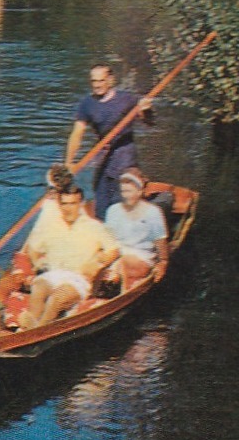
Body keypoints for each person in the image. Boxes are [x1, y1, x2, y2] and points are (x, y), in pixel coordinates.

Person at [19, 186, 119, 328]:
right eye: (64, 204)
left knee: (56, 299)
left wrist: (99, 263)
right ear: (59, 205)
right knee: (38, 287)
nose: (68, 208)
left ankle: (37, 328)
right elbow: (33, 249)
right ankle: (31, 323)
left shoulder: (94, 226)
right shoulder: (50, 227)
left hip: (77, 279)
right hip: (52, 274)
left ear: (81, 204)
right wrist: (37, 262)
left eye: (73, 203)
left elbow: (113, 250)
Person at [65, 63, 155, 221]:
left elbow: (148, 122)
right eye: (94, 81)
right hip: (103, 156)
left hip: (125, 156)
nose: (97, 85)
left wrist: (146, 109)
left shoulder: (126, 99)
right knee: (101, 206)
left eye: (101, 80)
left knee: (122, 202)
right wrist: (69, 162)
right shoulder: (87, 104)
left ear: (110, 80)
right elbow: (77, 134)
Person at [103, 168, 169, 287]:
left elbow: (161, 244)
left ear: (139, 192)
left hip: (141, 256)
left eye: (129, 191)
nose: (126, 196)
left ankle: (121, 289)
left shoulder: (153, 212)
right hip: (117, 253)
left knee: (123, 264)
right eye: (123, 191)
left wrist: (163, 263)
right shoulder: (113, 210)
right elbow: (108, 240)